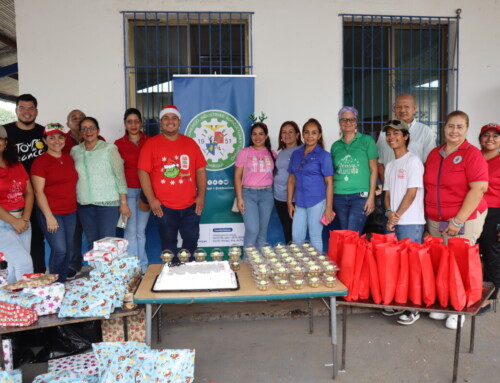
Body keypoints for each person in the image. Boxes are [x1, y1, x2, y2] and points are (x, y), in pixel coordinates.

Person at [424, 110, 488, 329]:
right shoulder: (434, 154)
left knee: (460, 263)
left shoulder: (472, 154)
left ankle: (460, 308)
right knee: (442, 262)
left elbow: (479, 188)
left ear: (467, 129)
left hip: (464, 218)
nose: (454, 131)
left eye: (460, 127)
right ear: (444, 127)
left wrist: (458, 221)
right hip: (436, 219)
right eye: (451, 126)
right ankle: (446, 303)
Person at [138, 105, 207, 262]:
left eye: (174, 118)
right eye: (166, 118)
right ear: (160, 123)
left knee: (190, 244)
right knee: (168, 246)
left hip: (190, 206)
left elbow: (201, 171)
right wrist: (152, 199)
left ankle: (188, 276)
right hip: (164, 207)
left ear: (179, 122)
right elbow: (143, 172)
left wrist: (201, 196)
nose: (170, 121)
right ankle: (170, 277)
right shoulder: (151, 144)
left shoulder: (190, 143)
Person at [380, 120, 425, 325]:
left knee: (411, 266)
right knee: (397, 265)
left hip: (411, 221)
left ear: (406, 136)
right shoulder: (390, 165)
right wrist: (389, 213)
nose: (391, 138)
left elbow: (412, 191)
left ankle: (412, 308)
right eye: (388, 134)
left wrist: (396, 215)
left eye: (396, 133)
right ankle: (400, 302)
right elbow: (387, 194)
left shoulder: (413, 161)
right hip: (395, 220)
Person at [71, 117, 130, 249]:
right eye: (84, 129)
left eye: (91, 128)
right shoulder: (75, 151)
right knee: (92, 241)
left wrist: (124, 203)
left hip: (108, 204)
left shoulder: (109, 149)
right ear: (80, 132)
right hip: (84, 204)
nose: (88, 131)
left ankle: (108, 270)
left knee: (107, 241)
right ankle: (95, 269)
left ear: (98, 130)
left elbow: (120, 176)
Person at [3, 94, 46, 273]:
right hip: (9, 195)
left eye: (31, 108)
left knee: (36, 236)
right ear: (16, 110)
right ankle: (11, 280)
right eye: (22, 108)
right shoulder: (5, 132)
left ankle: (37, 274)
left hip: (39, 194)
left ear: (36, 111)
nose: (26, 112)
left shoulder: (43, 133)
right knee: (11, 245)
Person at [31, 124, 78, 282]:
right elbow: (38, 192)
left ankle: (61, 283)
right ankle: (54, 284)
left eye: (60, 137)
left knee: (67, 250)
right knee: (60, 250)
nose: (56, 141)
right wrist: (49, 217)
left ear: (65, 139)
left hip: (70, 212)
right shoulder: (41, 162)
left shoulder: (68, 158)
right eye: (51, 138)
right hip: (51, 212)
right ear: (44, 140)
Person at [288, 118, 334, 251]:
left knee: (315, 237)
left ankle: (317, 271)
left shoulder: (324, 156)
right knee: (296, 237)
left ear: (319, 135)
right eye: (307, 132)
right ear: (302, 134)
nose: (310, 136)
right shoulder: (296, 154)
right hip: (299, 202)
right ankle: (299, 270)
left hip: (317, 202)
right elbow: (291, 180)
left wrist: (329, 207)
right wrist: (289, 203)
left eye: (314, 133)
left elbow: (329, 182)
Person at [330, 106, 377, 233]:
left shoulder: (367, 141)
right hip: (339, 196)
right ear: (340, 123)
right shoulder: (335, 146)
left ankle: (352, 254)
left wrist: (371, 197)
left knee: (352, 233)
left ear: (356, 122)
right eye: (344, 120)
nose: (348, 123)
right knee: (345, 233)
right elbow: (333, 173)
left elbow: (374, 170)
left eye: (351, 119)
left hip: (360, 196)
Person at [114, 108, 150, 273]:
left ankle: (142, 267)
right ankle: (133, 268)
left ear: (141, 123)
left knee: (140, 232)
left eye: (136, 121)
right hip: (126, 194)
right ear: (125, 124)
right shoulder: (117, 144)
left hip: (145, 194)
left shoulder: (150, 141)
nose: (133, 125)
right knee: (129, 232)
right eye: (129, 122)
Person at [0, 125, 34, 282]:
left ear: (5, 142)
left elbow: (29, 192)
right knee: (24, 263)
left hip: (23, 222)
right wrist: (15, 221)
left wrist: (24, 219)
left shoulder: (16, 164)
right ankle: (27, 302)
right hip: (3, 224)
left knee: (14, 268)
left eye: (0, 139)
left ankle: (10, 304)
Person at [234, 122, 276, 249]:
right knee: (252, 230)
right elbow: (237, 176)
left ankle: (259, 264)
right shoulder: (244, 152)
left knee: (262, 232)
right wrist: (240, 198)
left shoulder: (272, 154)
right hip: (248, 194)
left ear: (266, 136)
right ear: (251, 136)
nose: (257, 137)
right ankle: (247, 263)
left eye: (261, 134)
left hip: (267, 195)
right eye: (254, 134)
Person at [376, 94, 435, 183]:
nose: (402, 110)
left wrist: (416, 185)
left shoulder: (425, 132)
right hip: (390, 185)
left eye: (406, 107)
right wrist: (386, 186)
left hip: (415, 187)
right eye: (399, 107)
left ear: (414, 108)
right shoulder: (384, 132)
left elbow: (429, 163)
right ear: (394, 109)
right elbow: (379, 162)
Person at [477, 123, 500, 315]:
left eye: (495, 136)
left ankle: (490, 297)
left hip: (494, 211)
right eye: (486, 135)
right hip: (472, 210)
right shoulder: (474, 156)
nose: (490, 139)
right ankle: (473, 290)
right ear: (480, 138)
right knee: (472, 252)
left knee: (492, 253)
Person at [63, 109, 86, 279]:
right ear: (68, 123)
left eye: (81, 118)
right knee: (72, 234)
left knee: (96, 235)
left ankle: (99, 266)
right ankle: (73, 265)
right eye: (74, 118)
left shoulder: (97, 139)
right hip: (70, 196)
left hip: (92, 196)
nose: (78, 121)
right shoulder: (60, 141)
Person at [273, 121, 302, 243]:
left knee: (294, 232)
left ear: (297, 135)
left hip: (295, 199)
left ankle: (296, 258)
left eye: (291, 131)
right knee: (287, 230)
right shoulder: (280, 153)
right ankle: (291, 257)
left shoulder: (302, 150)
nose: (287, 134)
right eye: (284, 132)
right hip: (279, 198)